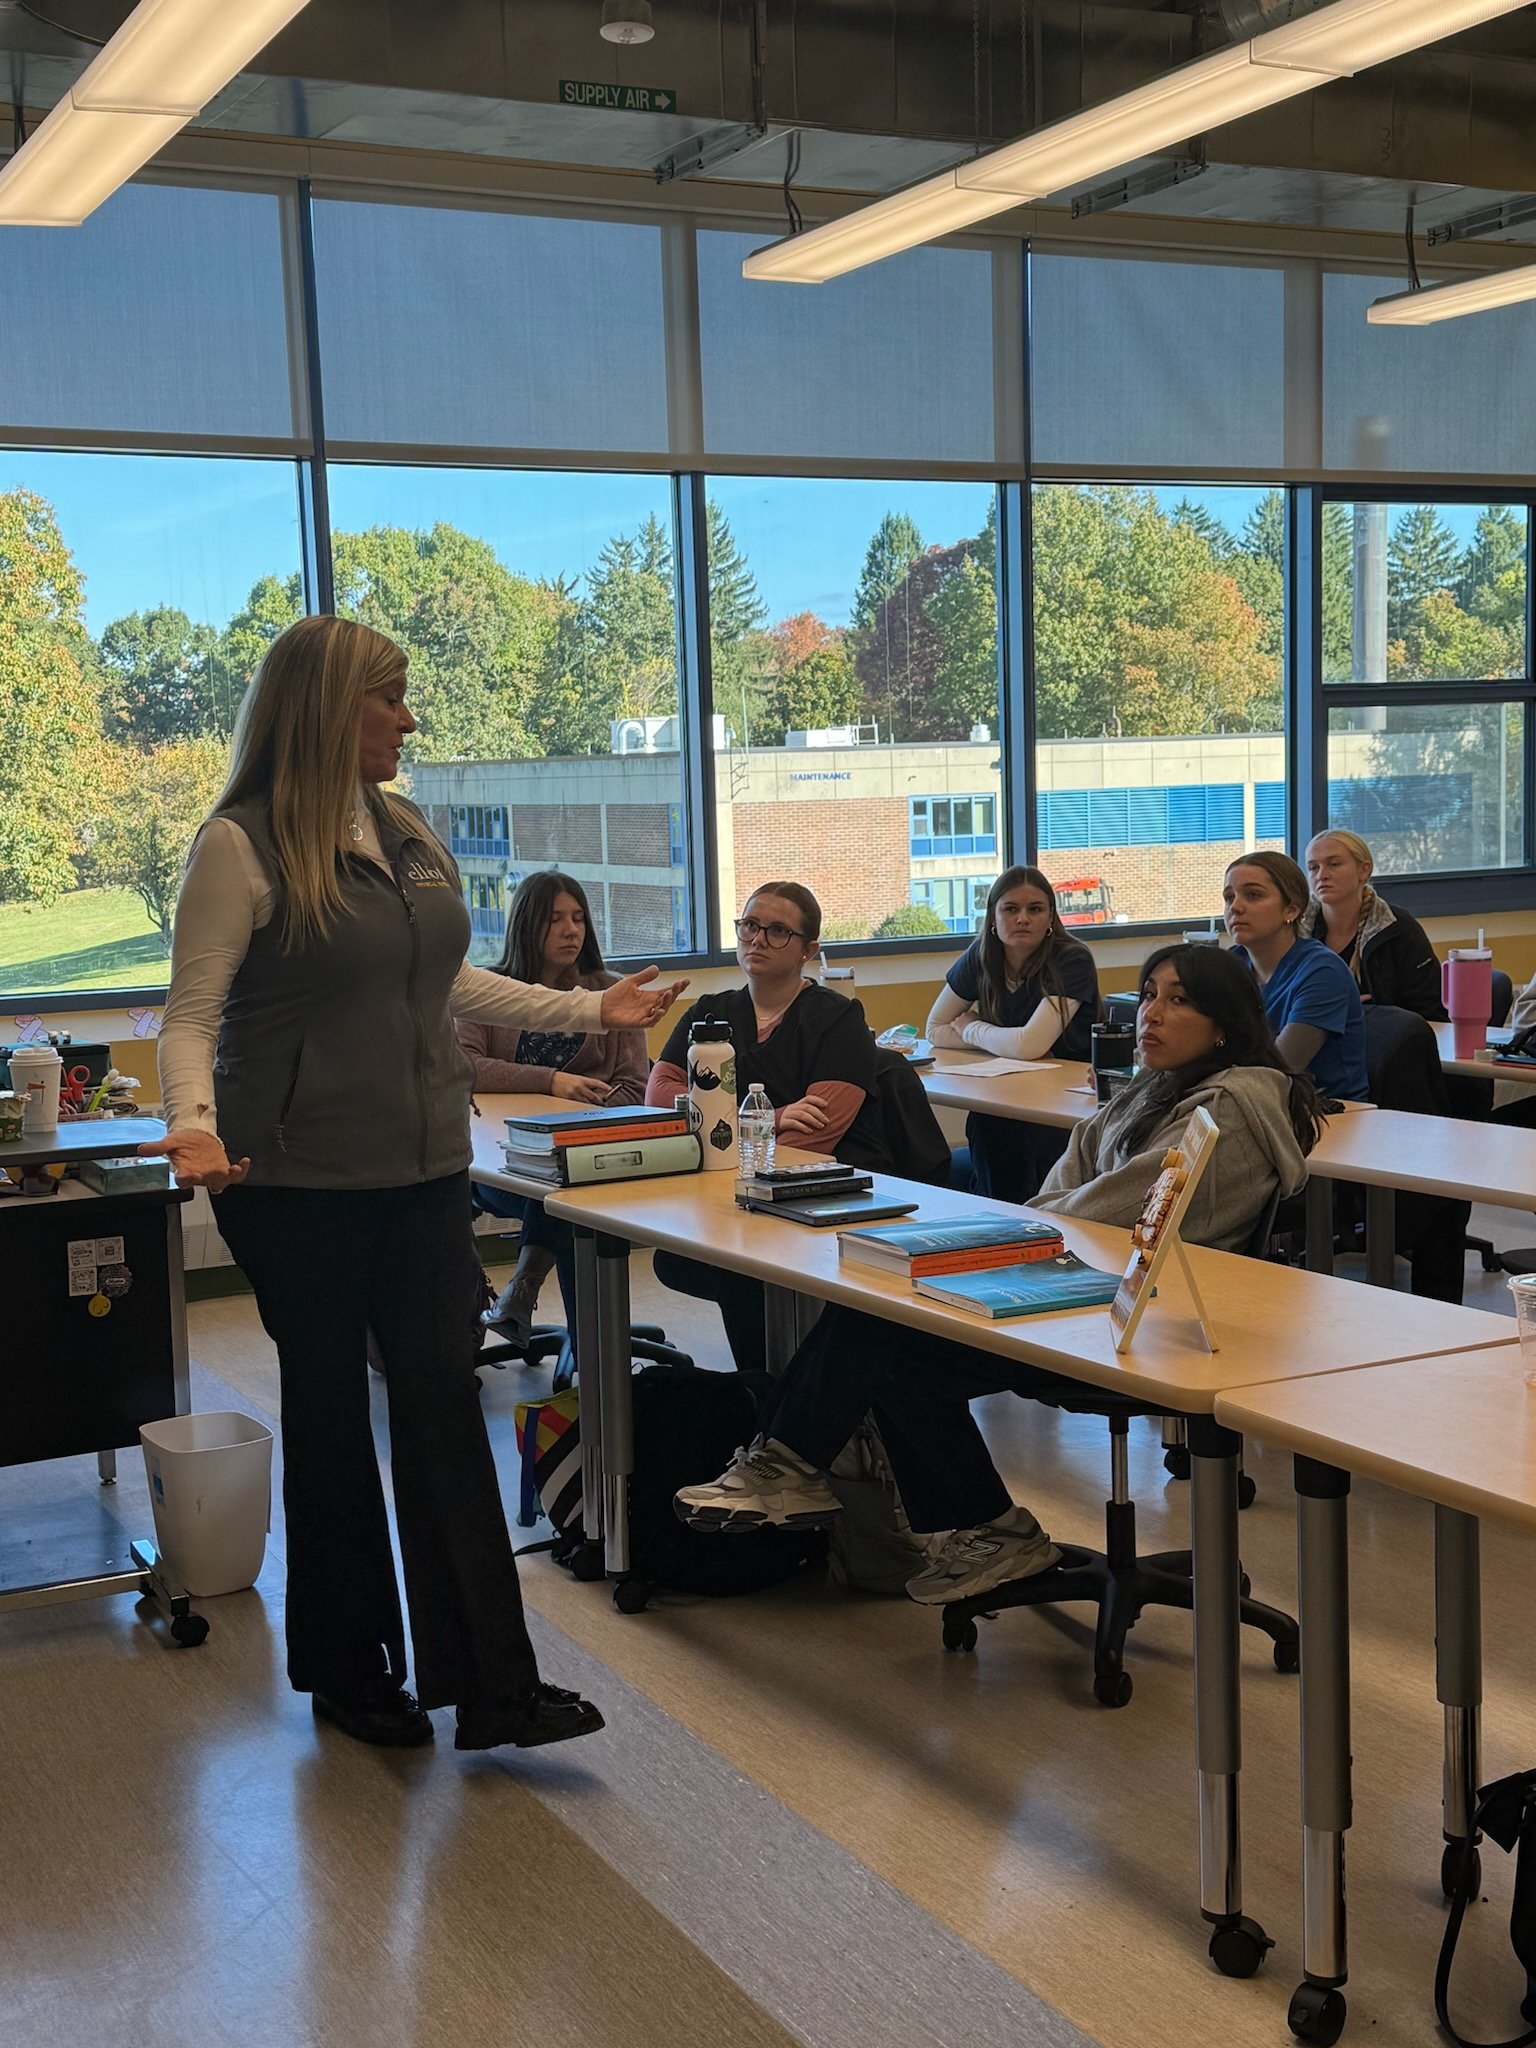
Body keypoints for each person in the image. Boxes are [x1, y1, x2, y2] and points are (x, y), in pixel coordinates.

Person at [142, 616, 685, 1754]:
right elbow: (191, 1012)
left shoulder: (406, 831)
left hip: (423, 1165)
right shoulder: (238, 845)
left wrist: (593, 1008)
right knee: (334, 1412)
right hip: (288, 1176)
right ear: (330, 708)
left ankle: (492, 1682)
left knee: (443, 1394)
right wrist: (190, 1127)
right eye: (389, 699)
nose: (408, 717)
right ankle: (351, 1670)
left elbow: (449, 975)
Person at [675, 945, 1320, 1606]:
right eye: (1149, 993)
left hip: (1147, 1328)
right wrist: (1024, 1234)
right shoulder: (1154, 1089)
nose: (1150, 1013)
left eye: (1178, 1000)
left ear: (1226, 1023)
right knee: (892, 1319)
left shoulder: (1233, 1109)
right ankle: (952, 1518)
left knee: (892, 1329)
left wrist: (1020, 1237)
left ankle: (800, 1466)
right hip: (1083, 1288)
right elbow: (1071, 1180)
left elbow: (1119, 1211)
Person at [646, 881, 885, 1375]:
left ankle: (776, 1409)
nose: (757, 939)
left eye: (778, 931)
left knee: (741, 1272)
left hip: (811, 1204)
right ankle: (769, 1403)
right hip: (719, 1203)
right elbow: (662, 1101)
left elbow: (816, 1132)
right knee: (689, 1259)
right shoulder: (709, 1012)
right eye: (750, 925)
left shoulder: (837, 1018)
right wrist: (768, 1119)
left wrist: (713, 1132)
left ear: (808, 949)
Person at [459, 871, 647, 1346]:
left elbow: (634, 1088)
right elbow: (466, 1066)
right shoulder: (487, 989)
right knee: (557, 1191)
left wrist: (584, 1122)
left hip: (593, 1158)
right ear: (527, 925)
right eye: (556, 919)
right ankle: (587, 1354)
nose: (572, 930)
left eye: (579, 918)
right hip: (502, 1162)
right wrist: (553, 1082)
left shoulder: (611, 992)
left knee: (567, 1183)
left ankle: (528, 1295)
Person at [925, 866, 1100, 1202]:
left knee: (1008, 1134)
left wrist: (973, 1027)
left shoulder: (1072, 958)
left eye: (1035, 909)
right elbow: (934, 1029)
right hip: (1007, 1094)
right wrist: (1007, 1040)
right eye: (1011, 909)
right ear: (993, 916)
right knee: (988, 1121)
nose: (1023, 918)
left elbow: (1029, 1045)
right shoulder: (980, 956)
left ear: (1051, 917)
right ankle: (998, 1226)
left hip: (1067, 1105)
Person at [1223, 850, 1369, 1102]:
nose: (1235, 907)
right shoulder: (1232, 963)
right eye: (1229, 897)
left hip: (1326, 1115)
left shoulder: (1322, 971)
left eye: (1253, 895)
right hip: (1254, 1104)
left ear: (1290, 909)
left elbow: (1279, 1069)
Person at [1299, 829, 1445, 1018]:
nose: (1322, 875)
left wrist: (1364, 1013)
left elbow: (1429, 1011)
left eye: (1333, 864)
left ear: (1364, 870)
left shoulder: (1398, 929)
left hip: (1386, 1041)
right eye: (1313, 867)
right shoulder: (1294, 930)